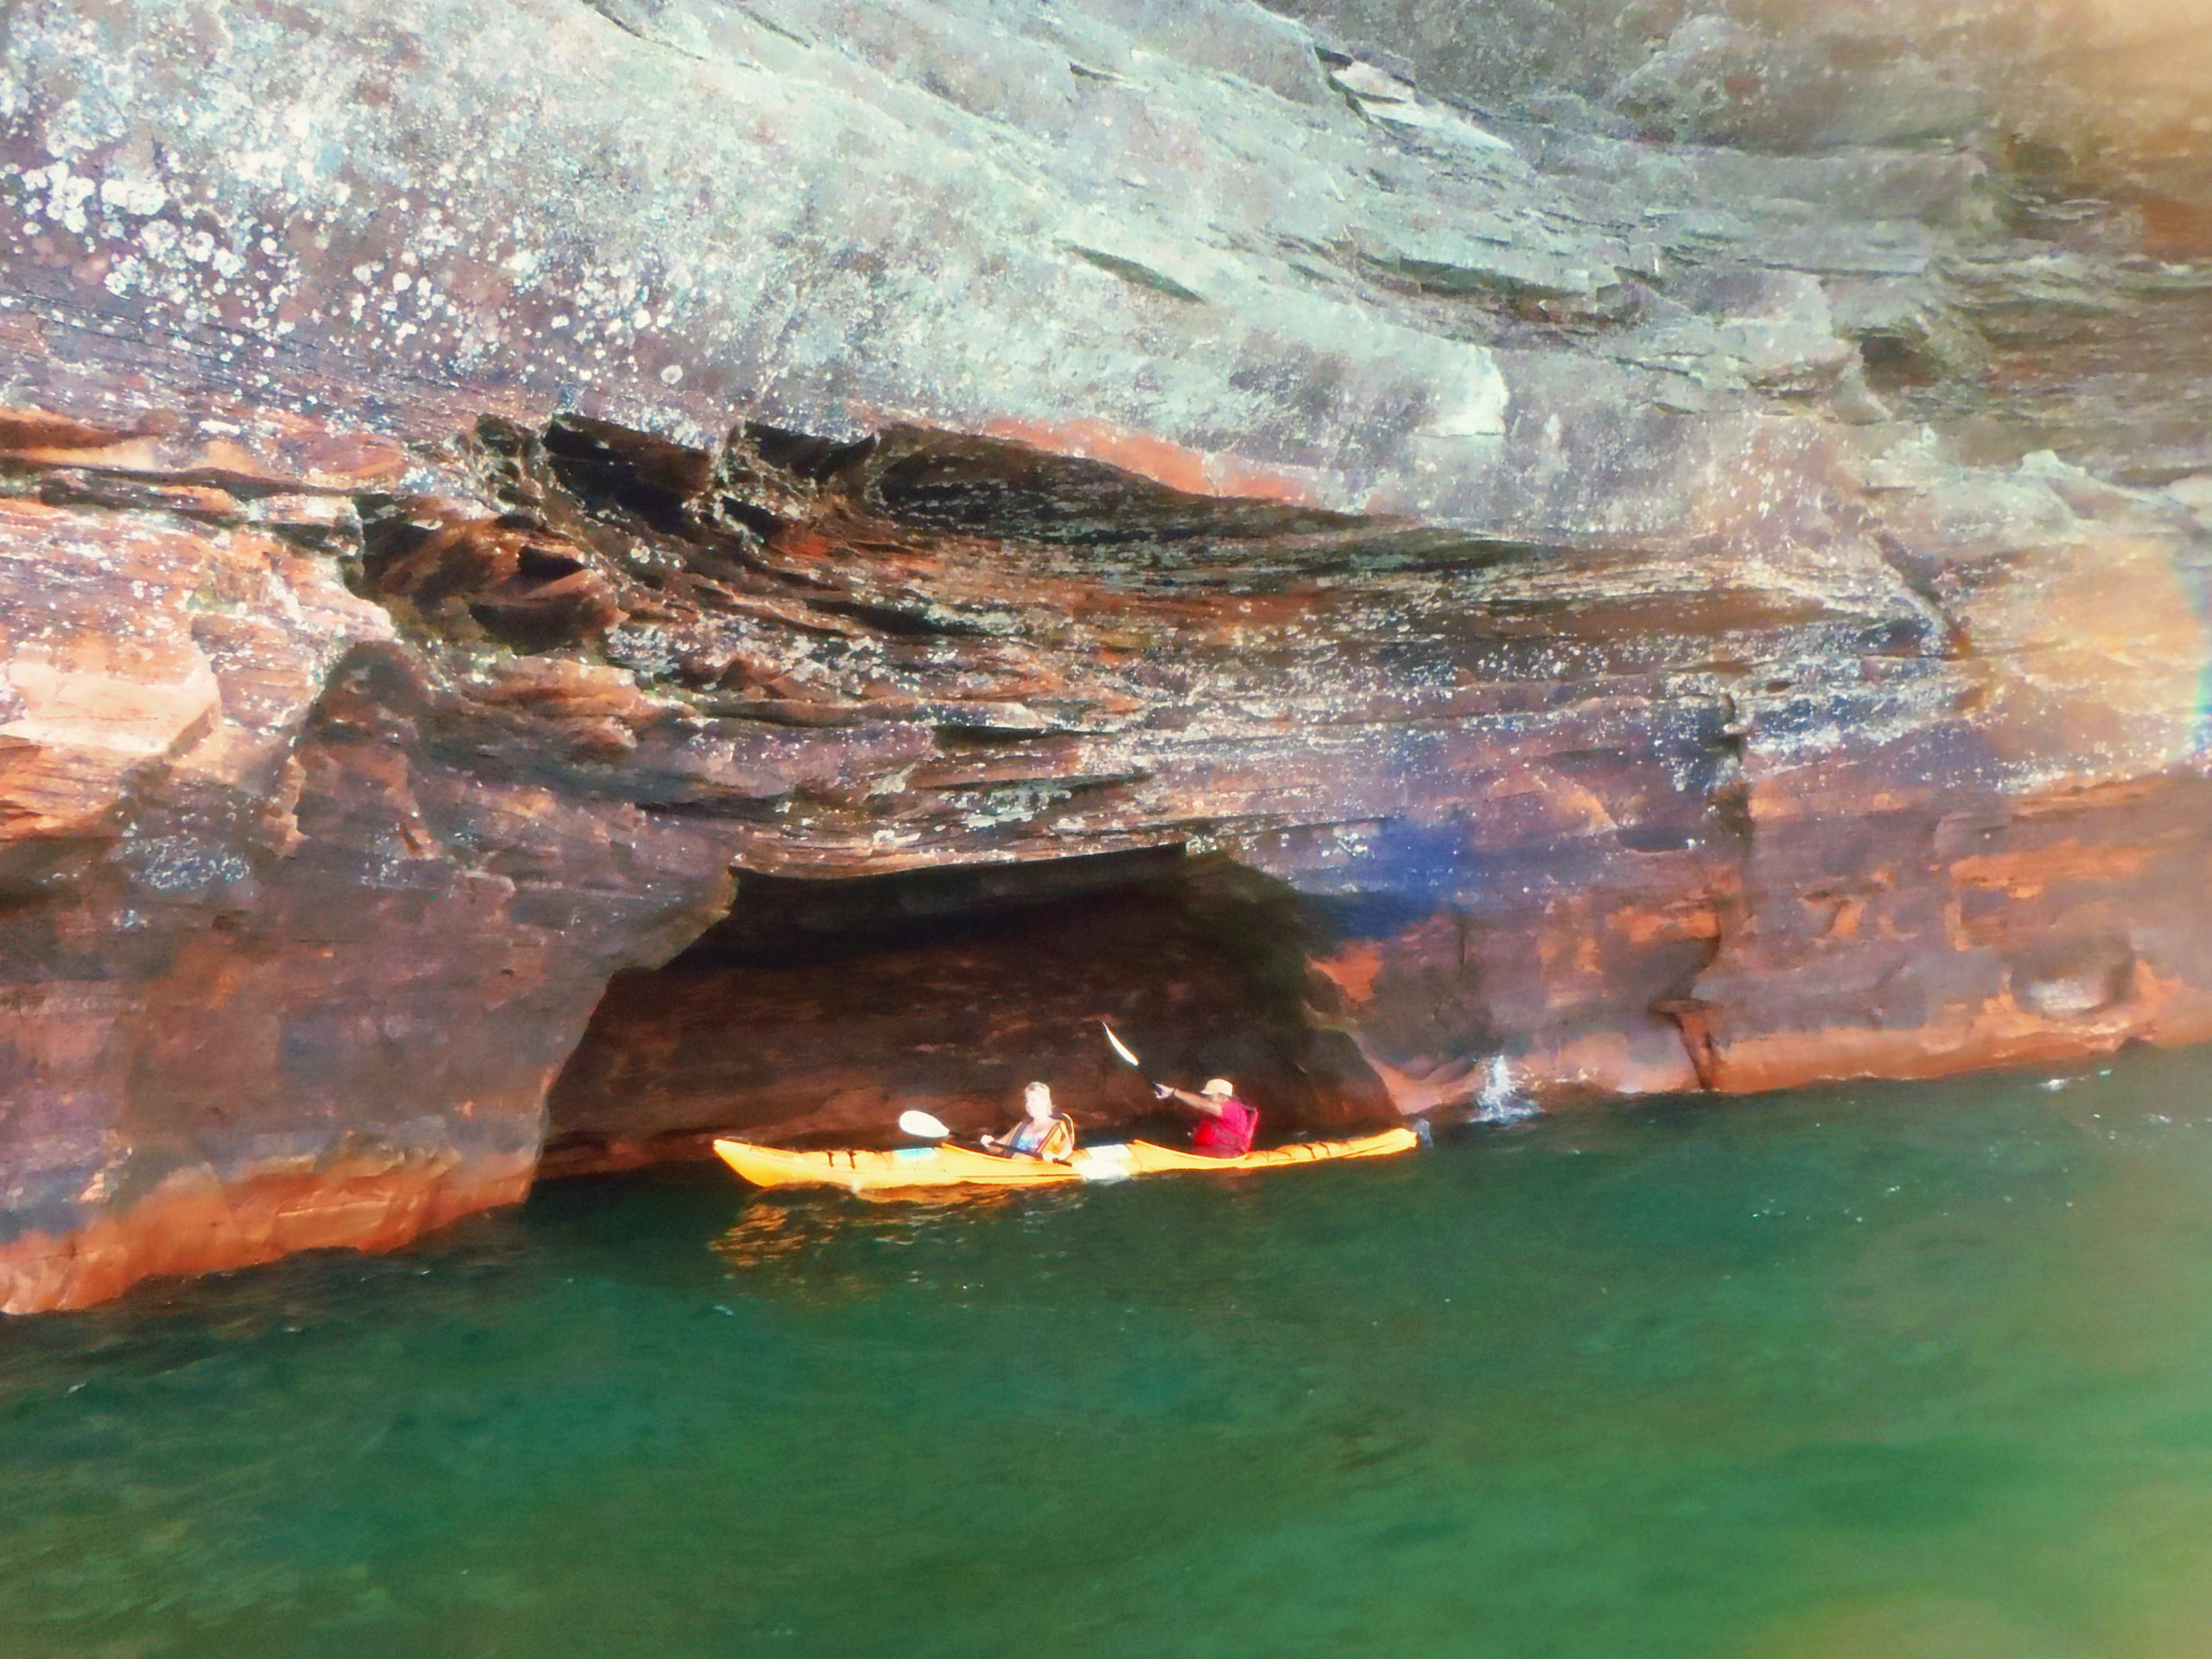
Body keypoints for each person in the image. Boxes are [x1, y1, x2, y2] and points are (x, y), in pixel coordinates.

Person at [1153, 1076, 1259, 1158]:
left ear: (1223, 1097)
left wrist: (1173, 1092)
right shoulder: (1216, 1111)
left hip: (1227, 1157)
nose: (1207, 1099)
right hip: (1206, 1154)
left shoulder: (1233, 1110)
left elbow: (1204, 1105)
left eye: (1210, 1096)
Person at [980, 1081, 1077, 1162]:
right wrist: (989, 1143)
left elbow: (1067, 1149)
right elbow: (998, 1148)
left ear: (1045, 1101)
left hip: (1037, 1169)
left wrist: (1057, 1157)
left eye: (1033, 1100)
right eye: (1027, 1101)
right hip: (1014, 1167)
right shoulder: (1022, 1127)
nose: (1029, 1104)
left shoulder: (1058, 1125)